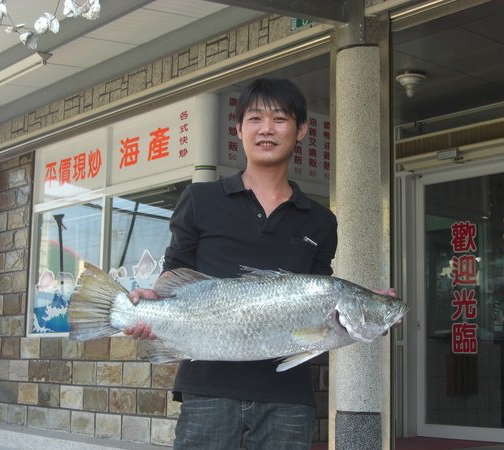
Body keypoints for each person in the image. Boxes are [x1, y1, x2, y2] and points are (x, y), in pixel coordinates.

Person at [124, 78, 395, 449]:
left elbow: (317, 292)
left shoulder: (319, 220)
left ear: (301, 130)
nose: (267, 129)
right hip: (207, 387)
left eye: (280, 119)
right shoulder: (201, 199)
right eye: (255, 118)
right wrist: (153, 301)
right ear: (238, 130)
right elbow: (176, 268)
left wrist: (367, 306)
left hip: (286, 397)